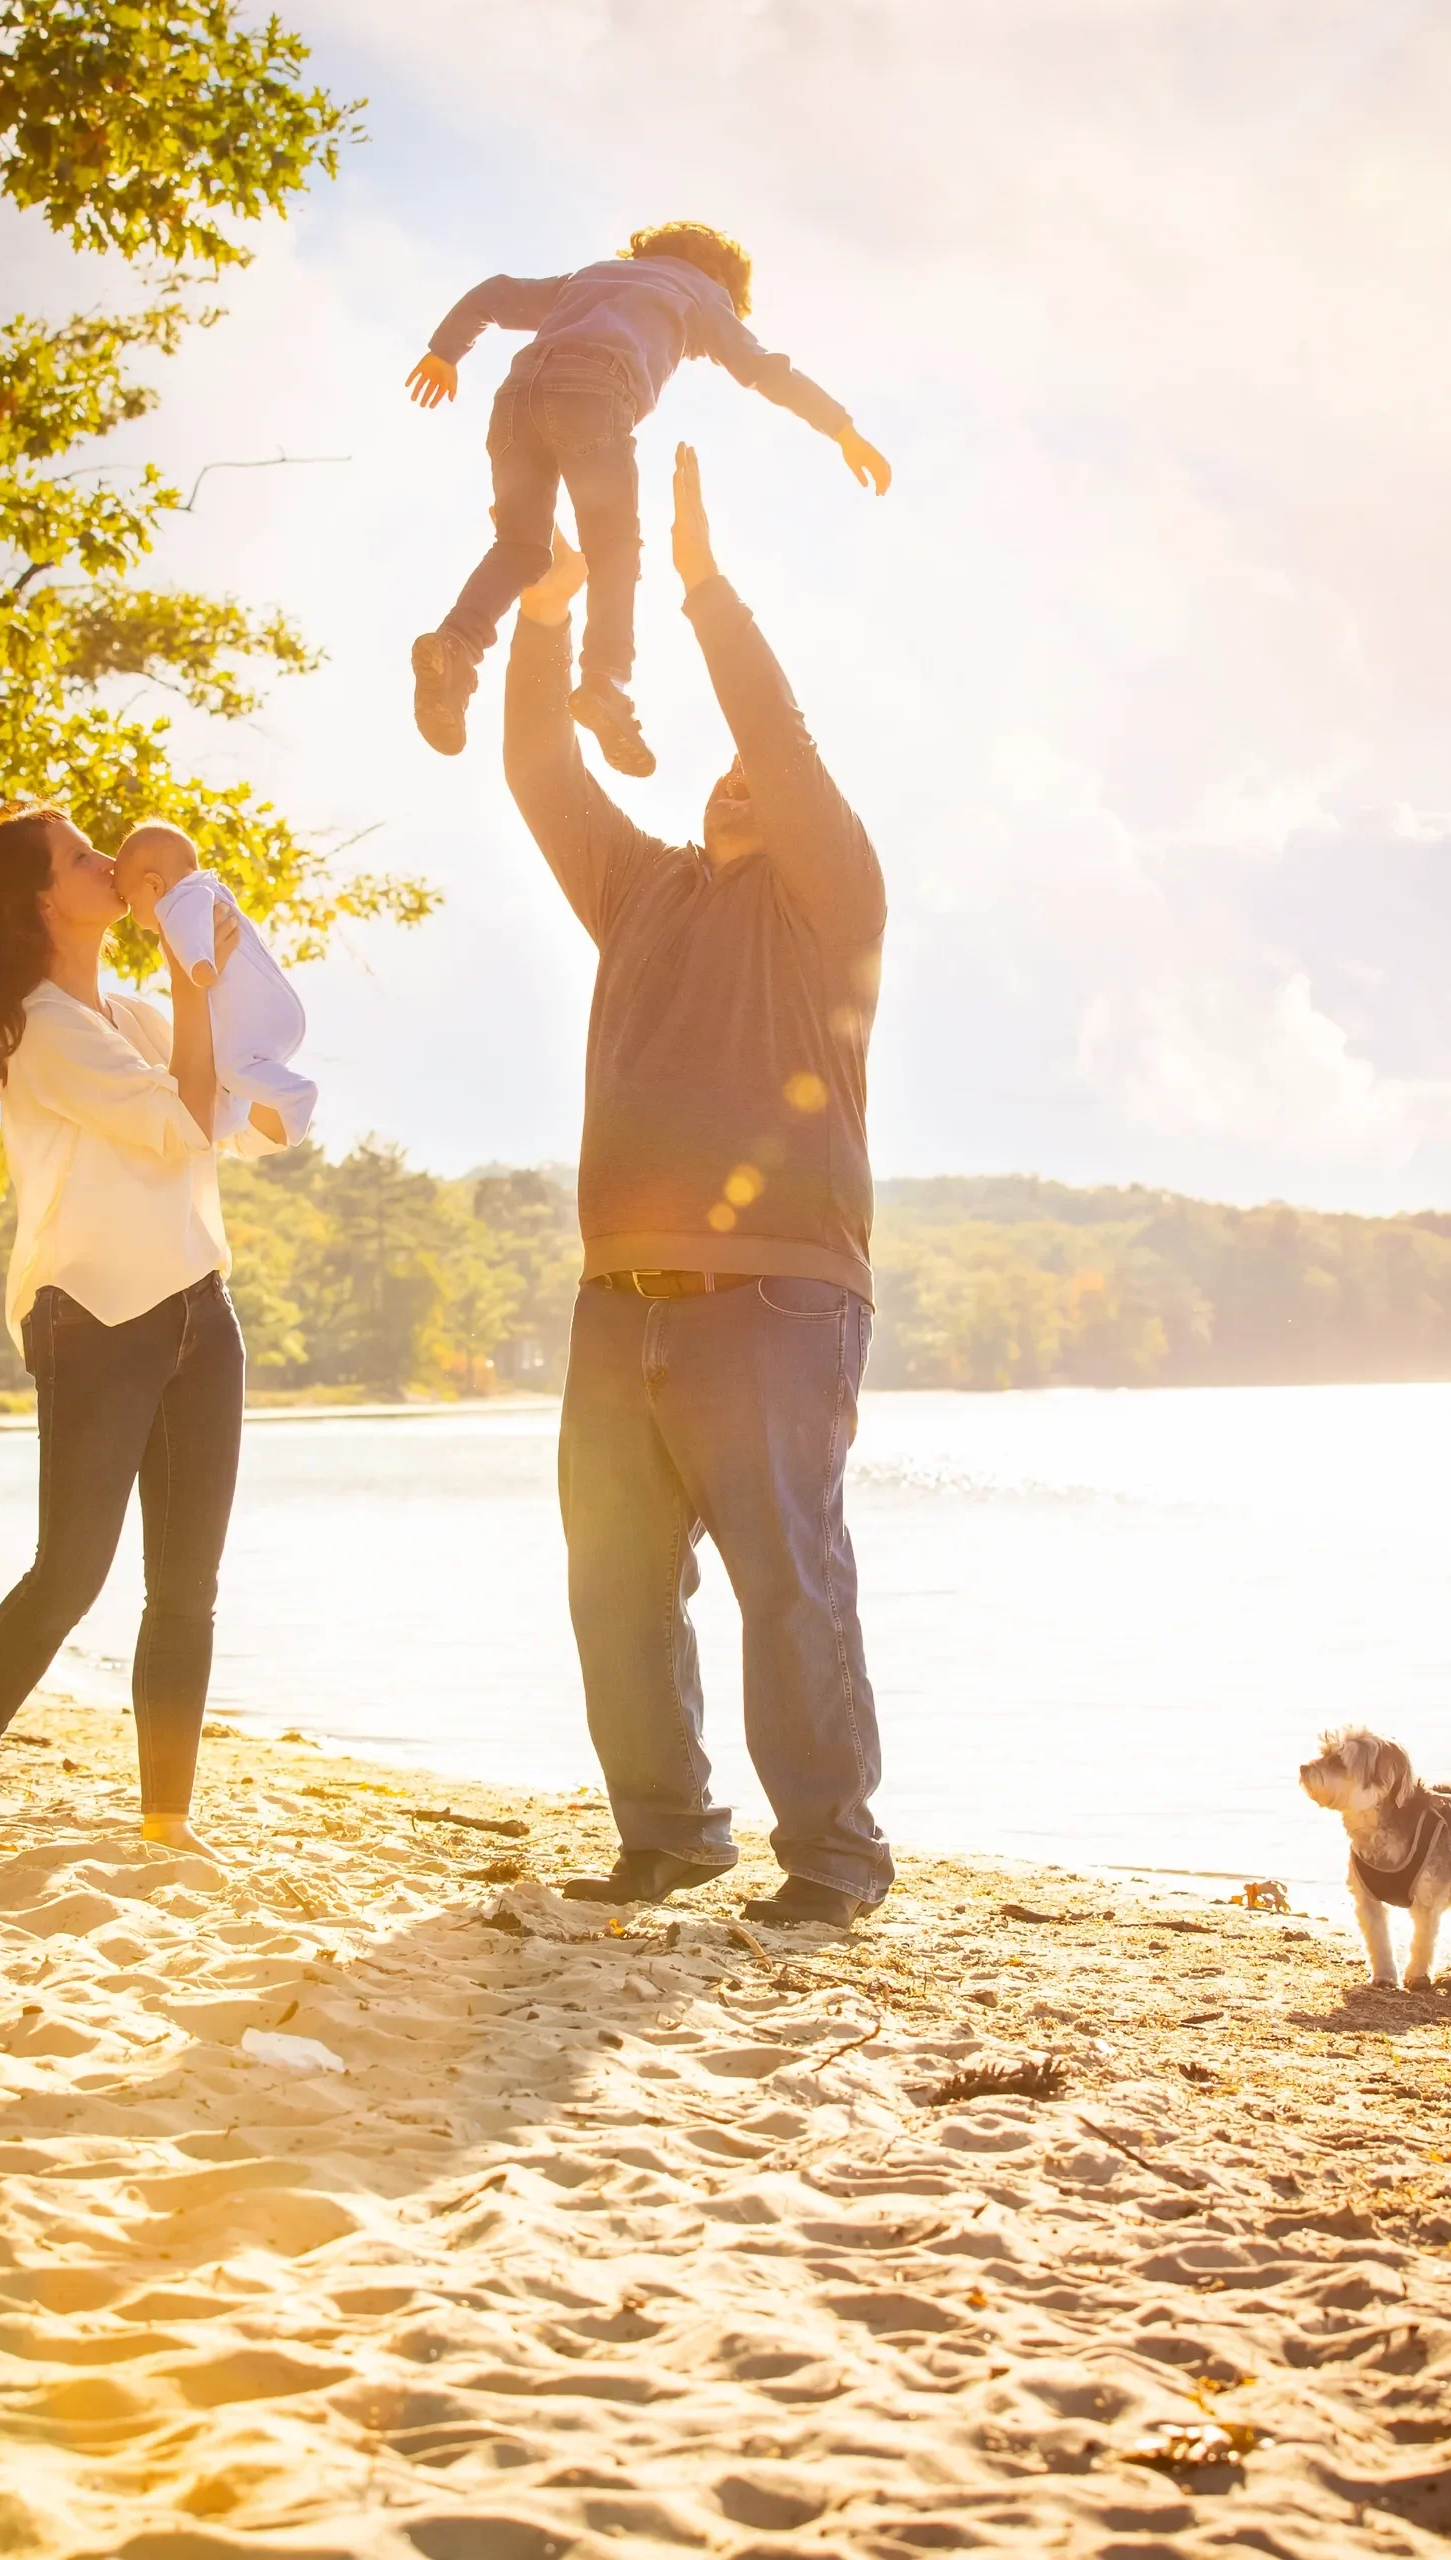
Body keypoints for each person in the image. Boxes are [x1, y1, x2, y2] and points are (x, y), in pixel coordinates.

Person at [505, 444, 892, 1928]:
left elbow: (778, 737)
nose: (739, 770)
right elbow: (539, 767)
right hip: (620, 1298)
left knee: (786, 1583)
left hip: (779, 1300)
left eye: (760, 766)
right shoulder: (638, 884)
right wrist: (546, 618)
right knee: (612, 1584)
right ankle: (667, 1833)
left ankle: (835, 1861)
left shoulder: (828, 900)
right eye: (720, 762)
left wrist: (696, 587)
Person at [0, 807, 294, 1851]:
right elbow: (182, 1126)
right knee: (71, 1573)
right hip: (91, 1319)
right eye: (84, 857)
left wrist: (235, 1030)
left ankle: (165, 1821)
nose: (111, 865)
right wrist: (194, 986)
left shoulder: (125, 1016)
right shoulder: (42, 1025)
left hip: (198, 1314)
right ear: (43, 902)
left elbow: (254, 1121)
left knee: (186, 1590)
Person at [407, 220, 891, 779]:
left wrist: (445, 353)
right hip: (594, 393)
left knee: (519, 548)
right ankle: (606, 683)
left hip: (516, 399)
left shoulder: (591, 276)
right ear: (722, 281)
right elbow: (763, 370)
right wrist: (842, 429)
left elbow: (496, 293)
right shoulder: (703, 294)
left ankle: (455, 651)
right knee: (613, 549)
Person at [114, 821, 318, 1142]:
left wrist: (199, 968)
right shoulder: (209, 892)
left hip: (261, 1017)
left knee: (233, 1069)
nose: (131, 914)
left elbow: (187, 933)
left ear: (153, 885)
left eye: (129, 901)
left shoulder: (176, 904)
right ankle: (233, 1120)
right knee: (231, 1072)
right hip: (271, 1014)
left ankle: (297, 1094)